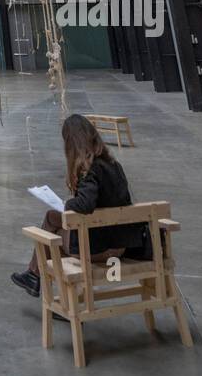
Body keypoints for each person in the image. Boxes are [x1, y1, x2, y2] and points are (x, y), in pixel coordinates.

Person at [11, 113, 150, 298]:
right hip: (121, 242)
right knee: (52, 218)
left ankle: (49, 285)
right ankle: (37, 277)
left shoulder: (90, 169)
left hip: (100, 248)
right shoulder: (113, 165)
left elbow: (85, 204)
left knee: (52, 238)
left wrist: (67, 204)